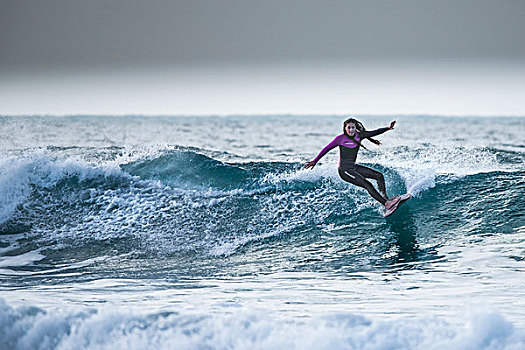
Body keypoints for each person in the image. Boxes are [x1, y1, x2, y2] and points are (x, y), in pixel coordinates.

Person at [305, 118, 400, 210]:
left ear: (355, 128)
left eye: (353, 127)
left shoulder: (359, 135)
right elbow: (326, 149)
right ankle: (386, 204)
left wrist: (388, 128)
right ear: (345, 129)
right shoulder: (340, 139)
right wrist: (315, 161)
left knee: (379, 176)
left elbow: (374, 132)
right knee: (368, 185)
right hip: (344, 171)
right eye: (349, 128)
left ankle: (385, 198)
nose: (351, 130)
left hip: (354, 167)